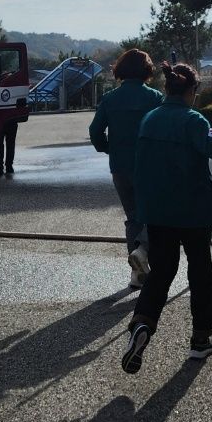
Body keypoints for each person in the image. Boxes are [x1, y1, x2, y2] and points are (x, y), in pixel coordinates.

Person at [121, 61, 212, 374]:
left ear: (166, 88)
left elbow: (141, 167)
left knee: (162, 272)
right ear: (193, 91)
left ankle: (141, 322)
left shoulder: (150, 120)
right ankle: (200, 340)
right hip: (193, 209)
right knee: (199, 271)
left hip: (158, 212)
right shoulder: (193, 120)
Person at [89, 49, 164, 289]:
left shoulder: (110, 98)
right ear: (146, 71)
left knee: (133, 217)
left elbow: (95, 132)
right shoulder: (154, 97)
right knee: (155, 215)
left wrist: (109, 148)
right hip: (150, 166)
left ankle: (137, 275)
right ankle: (142, 252)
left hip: (120, 166)